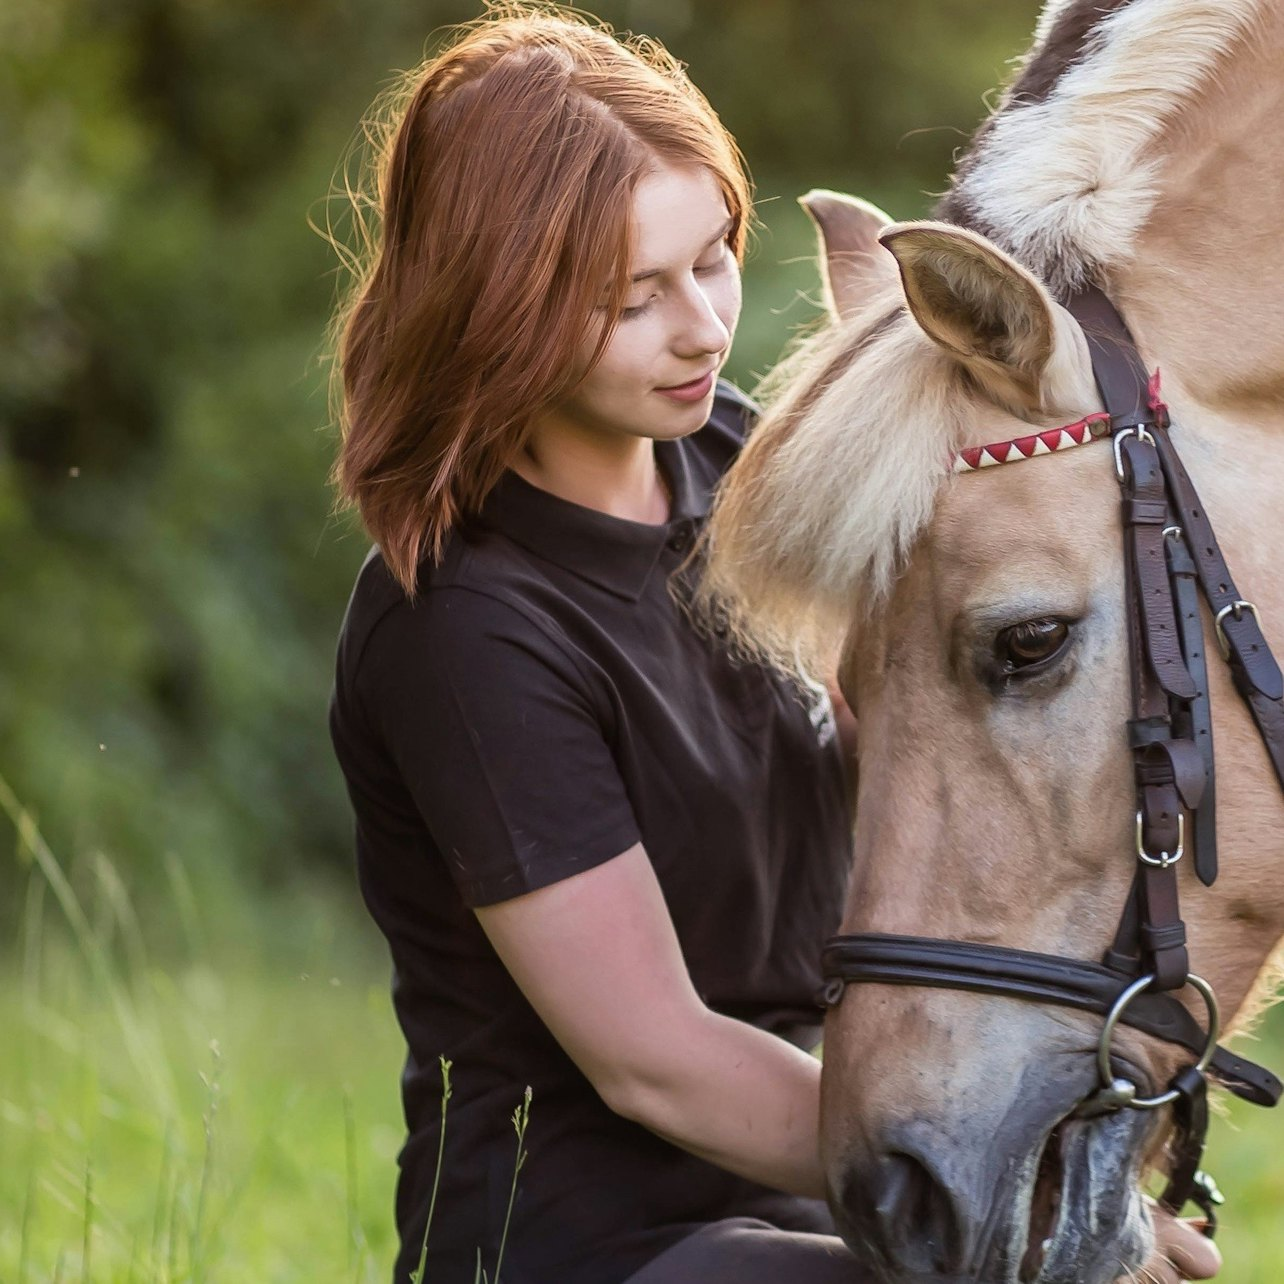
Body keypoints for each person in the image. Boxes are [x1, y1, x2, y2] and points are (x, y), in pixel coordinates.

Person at [323, 7, 1221, 1284]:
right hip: (602, 1245)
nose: (700, 326)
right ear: (498, 307)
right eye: (635, 297)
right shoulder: (466, 628)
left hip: (829, 1203)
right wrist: (1009, 1186)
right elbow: (658, 1060)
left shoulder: (735, 465)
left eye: (714, 259)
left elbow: (909, 737)